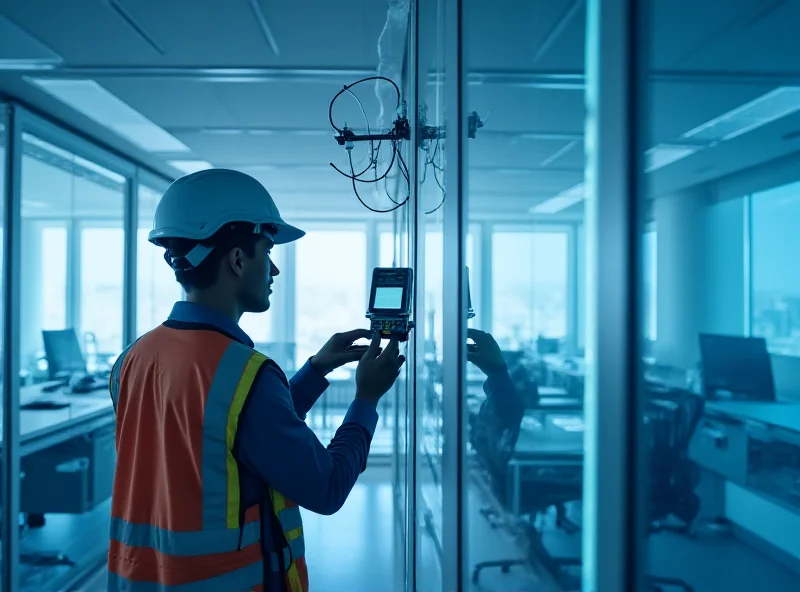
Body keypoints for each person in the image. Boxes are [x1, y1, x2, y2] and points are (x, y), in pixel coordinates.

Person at [106, 169, 405, 592]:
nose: (275, 269)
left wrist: (315, 371)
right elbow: (327, 487)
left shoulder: (133, 359)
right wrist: (366, 399)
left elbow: (226, 436)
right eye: (267, 250)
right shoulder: (244, 373)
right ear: (237, 260)